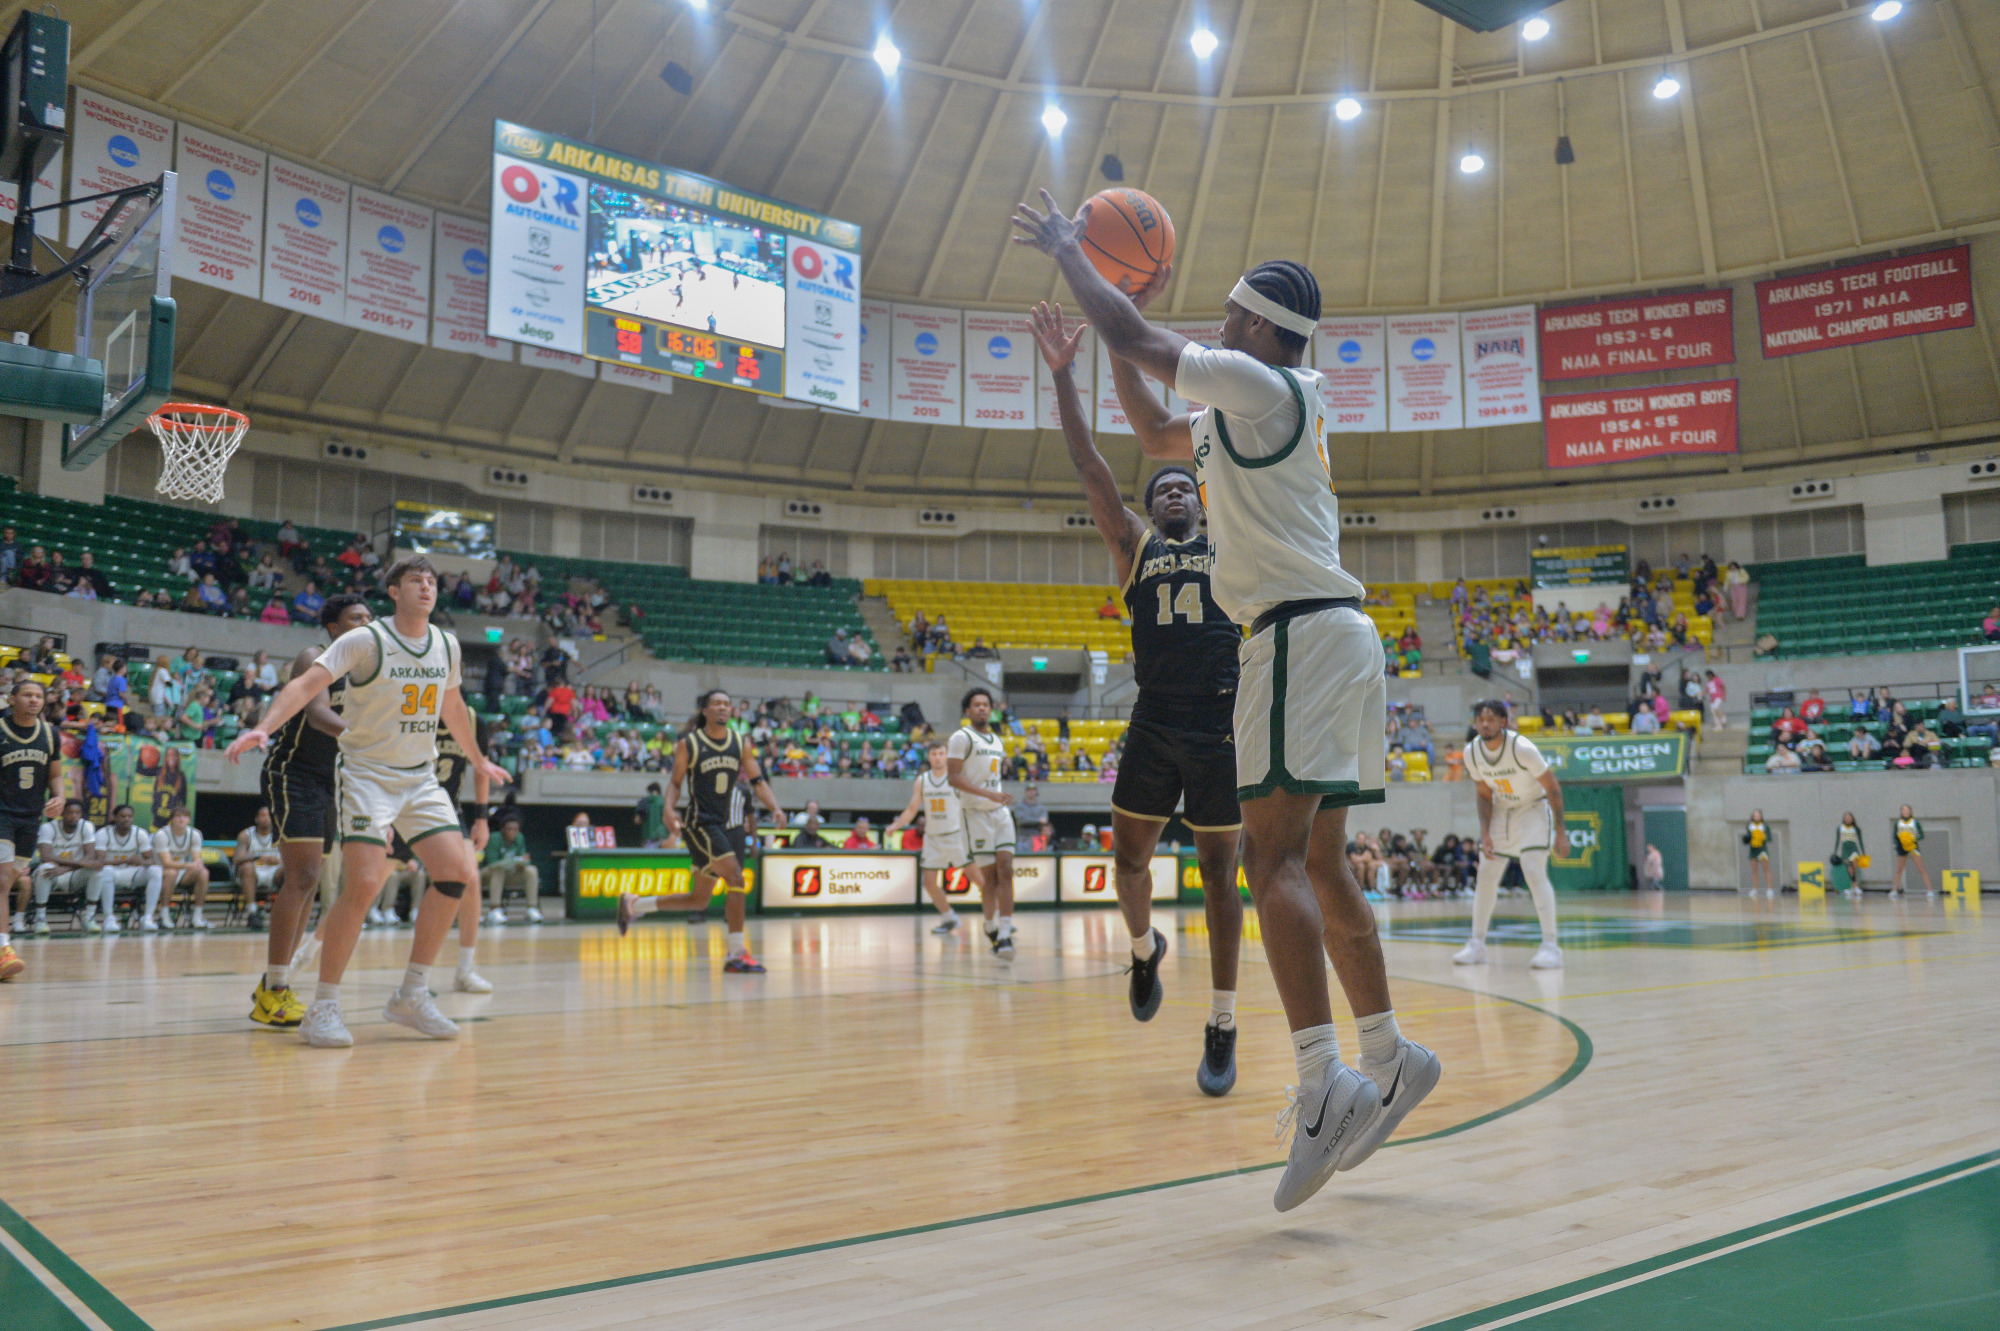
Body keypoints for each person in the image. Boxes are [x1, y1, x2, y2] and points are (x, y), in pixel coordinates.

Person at [1014, 192, 1435, 1208]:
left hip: (1293, 636)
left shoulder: (1264, 381)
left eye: (1231, 314)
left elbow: (1137, 337)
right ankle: (1388, 1055)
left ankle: (1321, 1083)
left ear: (1262, 326)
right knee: (1320, 863)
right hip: (1337, 635)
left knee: (1269, 862)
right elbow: (1152, 424)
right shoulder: (1248, 408)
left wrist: (1074, 253)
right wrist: (1103, 341)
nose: (1218, 324)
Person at [1029, 297, 1246, 1094]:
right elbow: (1091, 463)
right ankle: (1144, 946)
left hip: (1222, 719)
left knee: (1221, 876)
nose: (1175, 493)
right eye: (1162, 489)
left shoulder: (1232, 541)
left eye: (1185, 485)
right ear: (1147, 508)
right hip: (1155, 719)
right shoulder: (1133, 544)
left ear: (1201, 498)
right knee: (1128, 861)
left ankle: (1222, 1021)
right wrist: (1065, 375)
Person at [227, 556, 511, 1048]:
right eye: (415, 580)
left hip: (420, 778)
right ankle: (324, 1006)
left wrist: (478, 759)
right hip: (367, 775)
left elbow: (452, 707)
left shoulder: (446, 644)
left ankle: (411, 993)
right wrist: (264, 727)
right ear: (394, 592)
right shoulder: (366, 640)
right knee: (362, 884)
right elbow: (305, 685)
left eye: (431, 581)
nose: (426, 587)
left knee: (456, 874)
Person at [243, 594, 373, 1030]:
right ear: (334, 628)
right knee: (302, 876)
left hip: (329, 779)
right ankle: (274, 989)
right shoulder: (313, 656)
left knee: (310, 881)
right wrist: (367, 737)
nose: (366, 624)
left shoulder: (367, 674)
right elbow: (317, 715)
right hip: (292, 772)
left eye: (370, 618)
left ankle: (274, 983)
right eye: (355, 618)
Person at [616, 690, 786, 971]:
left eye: (726, 704)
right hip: (699, 824)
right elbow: (675, 783)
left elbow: (758, 781)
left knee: (698, 900)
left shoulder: (740, 743)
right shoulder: (690, 744)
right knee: (735, 877)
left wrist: (776, 808)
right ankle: (736, 954)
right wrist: (668, 808)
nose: (723, 707)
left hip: (720, 825)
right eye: (716, 703)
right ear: (705, 711)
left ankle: (634, 904)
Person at [1454, 701, 1567, 971]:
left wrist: (1561, 831)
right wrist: (1485, 833)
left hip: (1533, 807)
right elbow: (1484, 794)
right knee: (1486, 873)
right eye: (1480, 719)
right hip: (1502, 810)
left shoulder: (1522, 748)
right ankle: (1477, 944)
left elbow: (1552, 787)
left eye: (1491, 719)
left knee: (1533, 870)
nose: (1485, 724)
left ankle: (1551, 947)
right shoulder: (1471, 752)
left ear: (1503, 722)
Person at [0, 679, 68, 979]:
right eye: (27, 694)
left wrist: (60, 797)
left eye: (38, 696)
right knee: (2, 881)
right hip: (2, 815)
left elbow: (55, 775)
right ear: (12, 698)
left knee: (9, 881)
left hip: (30, 818)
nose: (33, 700)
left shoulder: (50, 734)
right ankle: (4, 950)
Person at [946, 686, 1018, 959]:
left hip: (999, 813)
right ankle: (990, 924)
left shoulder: (998, 741)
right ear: (968, 711)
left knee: (1006, 869)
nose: (982, 708)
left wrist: (995, 794)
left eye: (986, 704)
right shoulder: (960, 738)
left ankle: (1005, 933)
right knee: (989, 880)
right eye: (976, 705)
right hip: (975, 814)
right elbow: (954, 778)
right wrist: (989, 794)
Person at [884, 741, 973, 933]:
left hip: (956, 835)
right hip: (933, 838)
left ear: (946, 756)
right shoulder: (922, 780)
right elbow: (912, 809)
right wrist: (896, 826)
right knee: (929, 882)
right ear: (929, 757)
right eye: (934, 754)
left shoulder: (956, 778)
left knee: (977, 877)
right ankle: (949, 918)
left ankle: (1001, 917)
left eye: (941, 754)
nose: (938, 758)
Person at [34, 801, 108, 932]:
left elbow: (89, 857)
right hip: (54, 874)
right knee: (44, 869)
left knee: (97, 872)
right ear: (62, 813)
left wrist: (64, 869)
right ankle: (40, 918)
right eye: (69, 813)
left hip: (71, 874)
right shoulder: (48, 828)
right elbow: (45, 856)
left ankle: (89, 916)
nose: (73, 816)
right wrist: (80, 863)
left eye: (77, 813)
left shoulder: (86, 826)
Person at [94, 804, 161, 929]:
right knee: (106, 871)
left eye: (130, 816)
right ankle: (109, 918)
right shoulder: (103, 833)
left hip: (132, 873)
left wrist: (142, 861)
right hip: (112, 873)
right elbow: (99, 861)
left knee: (156, 871)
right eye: (123, 816)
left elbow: (151, 860)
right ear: (115, 817)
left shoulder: (140, 833)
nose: (126, 819)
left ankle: (148, 917)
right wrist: (124, 860)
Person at [152, 805, 211, 930]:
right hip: (160, 871)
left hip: (182, 871)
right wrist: (188, 865)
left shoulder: (195, 834)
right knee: (171, 872)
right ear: (171, 819)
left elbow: (196, 859)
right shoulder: (162, 834)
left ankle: (197, 916)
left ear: (189, 820)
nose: (181, 819)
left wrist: (198, 864)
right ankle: (164, 915)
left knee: (203, 873)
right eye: (178, 816)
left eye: (185, 816)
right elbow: (166, 862)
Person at [234, 806, 285, 929]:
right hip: (252, 873)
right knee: (247, 867)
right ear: (256, 819)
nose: (266, 819)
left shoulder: (281, 835)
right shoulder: (246, 835)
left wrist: (278, 861)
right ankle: (252, 913)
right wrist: (258, 857)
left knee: (290, 870)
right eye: (263, 815)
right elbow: (237, 859)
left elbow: (289, 858)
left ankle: (285, 912)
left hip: (274, 872)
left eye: (269, 816)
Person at [480, 817, 538, 924]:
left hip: (509, 875)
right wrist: (514, 861)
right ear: (503, 830)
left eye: (515, 830)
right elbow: (492, 864)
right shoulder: (494, 838)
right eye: (509, 829)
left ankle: (531, 908)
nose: (512, 832)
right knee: (499, 870)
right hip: (487, 875)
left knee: (531, 870)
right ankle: (494, 909)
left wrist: (522, 864)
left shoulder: (519, 838)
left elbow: (524, 860)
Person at [1890, 804, 1932, 897]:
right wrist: (1898, 843)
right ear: (1901, 812)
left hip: (1913, 847)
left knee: (1921, 868)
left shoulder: (1915, 822)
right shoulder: (1898, 823)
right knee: (1899, 869)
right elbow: (1894, 836)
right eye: (1904, 810)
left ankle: (1930, 890)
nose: (1905, 812)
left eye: (1907, 810)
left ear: (1910, 811)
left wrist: (1913, 840)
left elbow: (1922, 835)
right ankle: (1894, 890)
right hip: (1902, 848)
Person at [1743, 809, 1775, 896]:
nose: (1756, 817)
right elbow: (1747, 838)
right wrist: (1747, 838)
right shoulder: (1750, 826)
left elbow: (1769, 838)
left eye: (1758, 815)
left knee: (1766, 869)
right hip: (1753, 850)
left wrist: (1763, 837)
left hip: (1762, 850)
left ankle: (1770, 889)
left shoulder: (1765, 826)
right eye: (1755, 815)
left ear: (1761, 816)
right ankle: (1755, 889)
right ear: (1752, 817)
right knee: (1754, 870)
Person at [1833, 812, 1866, 895]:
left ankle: (1855, 886)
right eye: (1846, 817)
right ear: (1844, 819)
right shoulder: (1840, 828)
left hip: (1853, 848)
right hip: (1845, 849)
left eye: (1849, 817)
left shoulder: (1856, 828)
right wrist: (1835, 852)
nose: (1848, 819)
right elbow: (1837, 840)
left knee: (1854, 868)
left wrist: (1863, 852)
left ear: (1852, 819)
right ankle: (1853, 886)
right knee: (1849, 868)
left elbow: (1860, 841)